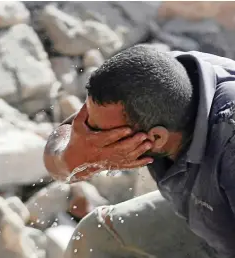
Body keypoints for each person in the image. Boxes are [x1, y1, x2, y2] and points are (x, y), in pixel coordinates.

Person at [43, 45, 235, 258]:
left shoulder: (229, 139)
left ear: (156, 138)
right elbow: (61, 155)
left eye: (101, 134)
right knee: (98, 236)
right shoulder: (153, 79)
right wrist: (73, 156)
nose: (93, 140)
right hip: (205, 215)